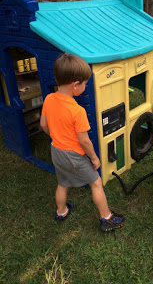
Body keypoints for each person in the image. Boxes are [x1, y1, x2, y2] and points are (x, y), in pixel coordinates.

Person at [40, 53, 125, 231]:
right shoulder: (77, 111)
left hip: (56, 150)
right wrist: (94, 158)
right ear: (75, 85)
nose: (86, 86)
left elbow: (43, 124)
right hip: (74, 156)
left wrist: (55, 136)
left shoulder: (49, 99)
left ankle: (61, 211)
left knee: (62, 183)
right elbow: (84, 141)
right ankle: (106, 218)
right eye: (85, 82)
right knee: (96, 183)